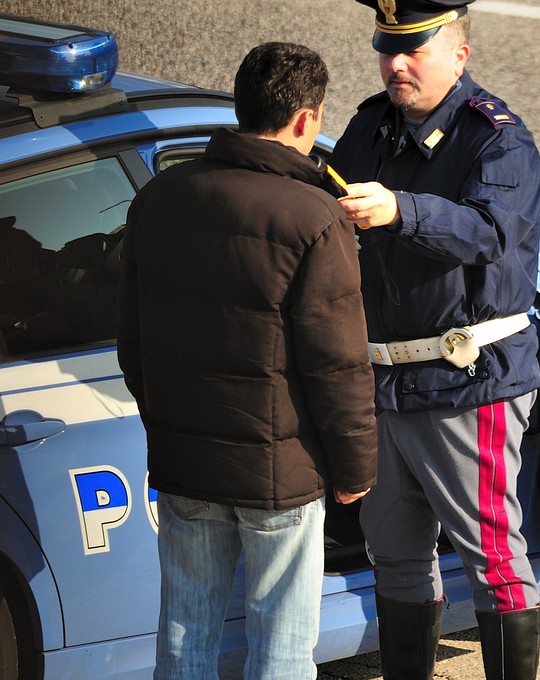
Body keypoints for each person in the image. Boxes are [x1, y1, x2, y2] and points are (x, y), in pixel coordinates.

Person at [116, 42, 378, 680]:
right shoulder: (315, 217)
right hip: (280, 474)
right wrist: (355, 467)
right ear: (306, 121)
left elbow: (133, 339)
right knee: (282, 647)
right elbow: (336, 364)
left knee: (185, 635)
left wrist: (169, 421)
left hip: (186, 465)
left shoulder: (160, 196)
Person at [329, 1, 540, 678]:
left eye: (414, 50)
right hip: (383, 381)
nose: (396, 64)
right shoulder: (371, 127)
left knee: (492, 557)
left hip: (467, 379)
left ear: (460, 54)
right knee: (392, 553)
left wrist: (401, 210)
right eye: (387, 49)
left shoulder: (498, 141)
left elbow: (490, 232)